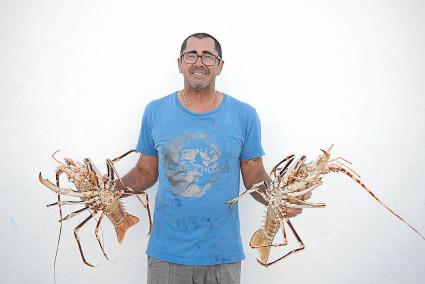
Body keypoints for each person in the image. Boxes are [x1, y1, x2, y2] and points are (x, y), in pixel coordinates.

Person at [117, 33, 309, 284]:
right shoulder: (155, 111)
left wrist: (280, 198)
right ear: (180, 64)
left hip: (223, 256)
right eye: (191, 55)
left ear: (220, 66)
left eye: (208, 56)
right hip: (167, 255)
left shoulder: (244, 115)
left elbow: (254, 177)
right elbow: (144, 172)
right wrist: (110, 190)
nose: (199, 62)